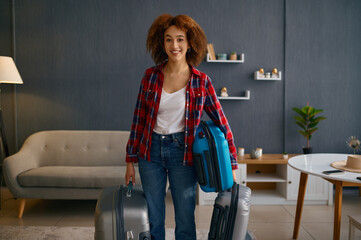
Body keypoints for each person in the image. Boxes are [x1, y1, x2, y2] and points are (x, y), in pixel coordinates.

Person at [125, 14, 238, 240]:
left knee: (185, 218)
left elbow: (222, 122)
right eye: (168, 39)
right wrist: (130, 161)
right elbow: (138, 120)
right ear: (161, 42)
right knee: (153, 217)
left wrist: (232, 162)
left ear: (189, 43)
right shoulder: (150, 77)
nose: (174, 45)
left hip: (184, 154)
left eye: (180, 39)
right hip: (150, 152)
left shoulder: (201, 81)